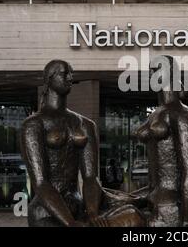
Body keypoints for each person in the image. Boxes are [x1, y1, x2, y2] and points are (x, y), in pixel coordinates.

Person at [20, 60, 145, 227]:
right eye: (65, 73)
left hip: (78, 208)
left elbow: (90, 177)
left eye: (71, 73)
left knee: (133, 217)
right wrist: (70, 223)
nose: (70, 77)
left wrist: (93, 212)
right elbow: (41, 183)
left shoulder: (85, 124)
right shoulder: (34, 124)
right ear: (49, 79)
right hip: (46, 213)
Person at [135, 55, 188, 227]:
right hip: (153, 200)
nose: (152, 76)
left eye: (157, 70)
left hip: (170, 207)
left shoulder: (183, 114)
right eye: (152, 71)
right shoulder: (155, 113)